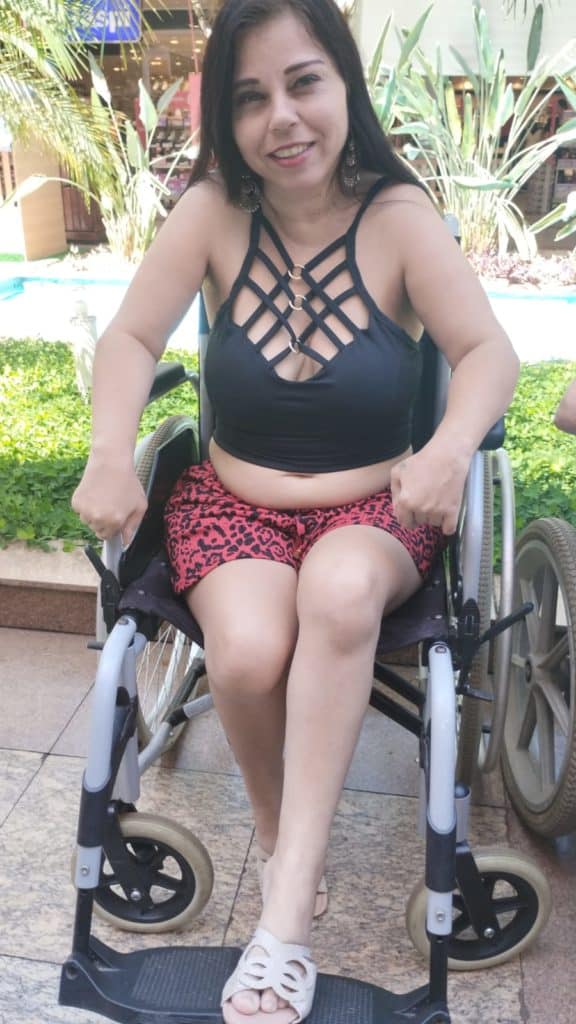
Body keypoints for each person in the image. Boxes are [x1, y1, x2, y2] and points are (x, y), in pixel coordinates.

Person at [72, 0, 520, 1020]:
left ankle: (284, 925)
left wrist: (450, 448)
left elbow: (488, 350)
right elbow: (132, 338)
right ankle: (281, 840)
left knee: (341, 589)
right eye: (250, 97)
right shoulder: (211, 213)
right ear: (226, 120)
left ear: (344, 86)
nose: (282, 117)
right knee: (240, 655)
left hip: (377, 508)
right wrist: (108, 453)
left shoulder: (399, 217)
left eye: (304, 82)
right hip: (235, 502)